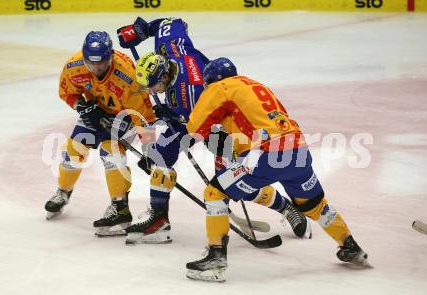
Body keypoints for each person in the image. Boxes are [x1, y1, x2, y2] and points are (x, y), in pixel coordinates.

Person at [117, 17, 310, 244]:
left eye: (153, 86)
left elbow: (196, 128)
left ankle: (285, 207)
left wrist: (169, 115)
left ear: (164, 76)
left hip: (218, 125)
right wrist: (142, 30)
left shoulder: (190, 94)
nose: (150, 91)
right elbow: (170, 23)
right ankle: (159, 220)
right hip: (189, 120)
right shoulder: (170, 48)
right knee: (158, 157)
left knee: (233, 181)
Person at [185, 58, 369, 282]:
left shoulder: (219, 87)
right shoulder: (256, 85)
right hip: (298, 150)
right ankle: (351, 247)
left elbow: (195, 128)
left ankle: (215, 259)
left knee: (214, 193)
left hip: (263, 155)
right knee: (316, 206)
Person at [44, 31, 156, 237]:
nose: (96, 69)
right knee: (73, 151)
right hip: (95, 111)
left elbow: (144, 115)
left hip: (124, 116)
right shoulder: (74, 66)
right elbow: (68, 93)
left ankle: (120, 207)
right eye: (90, 63)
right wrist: (83, 106)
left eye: (102, 64)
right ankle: (63, 192)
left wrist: (150, 149)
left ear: (111, 57)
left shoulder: (128, 76)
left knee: (109, 152)